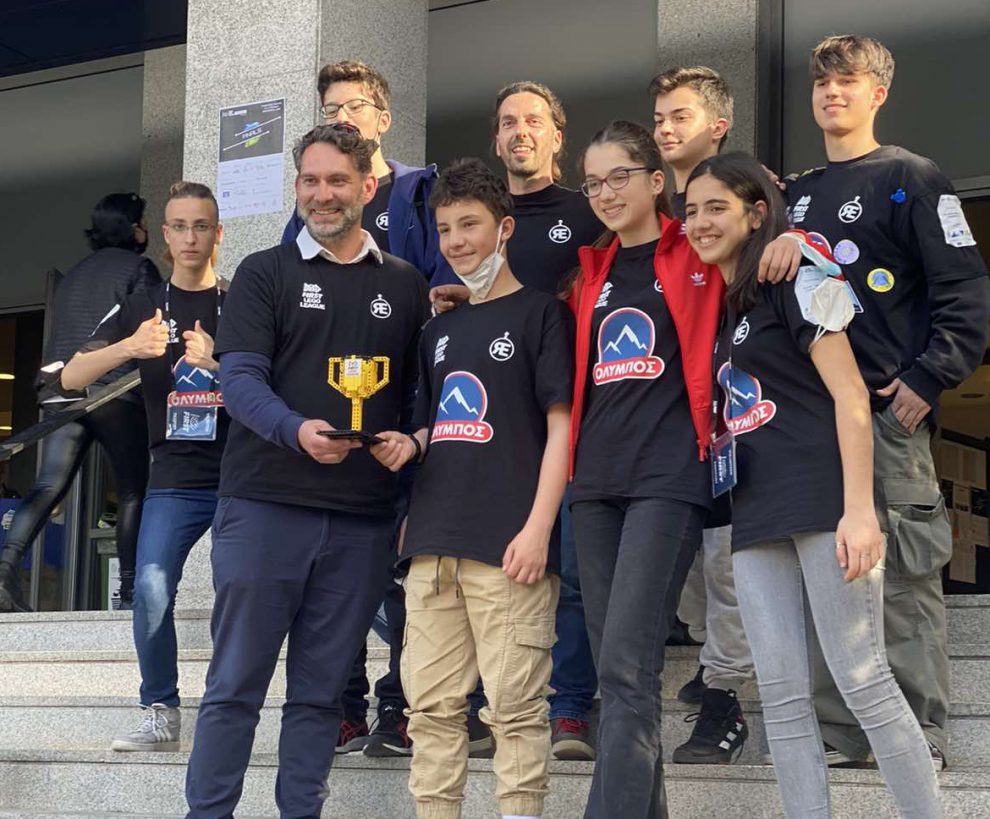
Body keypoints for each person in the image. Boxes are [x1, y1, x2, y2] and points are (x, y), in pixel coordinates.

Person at [685, 150, 944, 818]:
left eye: (716, 207)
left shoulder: (796, 275)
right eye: (691, 211)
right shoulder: (728, 308)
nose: (700, 222)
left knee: (865, 680)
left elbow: (852, 395)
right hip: (755, 512)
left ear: (756, 213)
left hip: (826, 501)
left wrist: (860, 511)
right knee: (781, 697)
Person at [184, 123, 429, 818]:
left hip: (361, 522)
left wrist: (411, 441)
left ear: (368, 187)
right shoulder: (264, 272)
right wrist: (294, 431)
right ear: (297, 187)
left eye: (338, 181)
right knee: (235, 685)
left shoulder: (406, 285)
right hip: (265, 508)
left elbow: (420, 395)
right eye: (311, 181)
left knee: (321, 697)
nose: (324, 195)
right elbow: (239, 380)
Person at [759, 34, 990, 771]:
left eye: (848, 81)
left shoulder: (913, 177)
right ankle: (841, 731)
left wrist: (928, 379)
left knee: (905, 577)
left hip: (887, 414)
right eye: (822, 83)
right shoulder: (794, 194)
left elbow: (966, 291)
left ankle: (920, 733)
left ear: (878, 93)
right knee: (827, 570)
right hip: (808, 418)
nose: (832, 93)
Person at [371, 157, 573, 819]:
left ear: (504, 227)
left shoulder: (543, 315)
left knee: (515, 710)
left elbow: (561, 427)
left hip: (509, 544)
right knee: (429, 710)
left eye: (471, 225)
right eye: (446, 229)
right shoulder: (438, 329)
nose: (457, 241)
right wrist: (411, 444)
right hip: (432, 546)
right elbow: (440, 424)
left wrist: (539, 528)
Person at [281, 59, 454, 758]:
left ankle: (401, 706)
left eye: (355, 106)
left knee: (403, 575)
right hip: (330, 421)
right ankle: (343, 707)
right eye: (332, 108)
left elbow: (445, 286)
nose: (343, 116)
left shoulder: (418, 192)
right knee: (335, 574)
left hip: (405, 415)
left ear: (383, 117)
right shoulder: (312, 208)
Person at [432, 80, 603, 762]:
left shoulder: (588, 210)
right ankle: (479, 704)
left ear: (558, 135)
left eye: (533, 120)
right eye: (507, 122)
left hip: (573, 410)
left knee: (570, 569)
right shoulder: (471, 217)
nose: (519, 131)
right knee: (481, 563)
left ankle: (570, 708)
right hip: (488, 425)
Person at [568, 120, 722, 819]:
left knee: (629, 664)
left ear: (657, 181)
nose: (605, 192)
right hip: (595, 483)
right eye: (592, 183)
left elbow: (759, 238)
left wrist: (788, 236)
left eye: (618, 177)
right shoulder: (590, 273)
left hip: (668, 477)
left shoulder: (697, 250)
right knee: (617, 670)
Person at [61, 181, 228, 753]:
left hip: (242, 477)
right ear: (164, 236)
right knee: (151, 588)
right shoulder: (143, 306)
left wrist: (218, 363)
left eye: (201, 226)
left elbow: (278, 382)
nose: (190, 237)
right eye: (180, 226)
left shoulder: (243, 301)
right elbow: (72, 376)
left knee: (242, 590)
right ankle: (160, 710)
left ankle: (229, 707)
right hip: (175, 480)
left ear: (218, 234)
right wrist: (128, 348)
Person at [650, 65, 754, 764]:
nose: (665, 129)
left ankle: (724, 698)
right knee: (693, 578)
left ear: (718, 125)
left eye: (679, 116)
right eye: (659, 118)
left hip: (738, 422)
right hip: (669, 431)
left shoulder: (755, 195)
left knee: (726, 569)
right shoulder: (655, 218)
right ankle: (714, 664)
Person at [0, 193, 158, 613]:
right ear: (133, 228)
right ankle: (129, 592)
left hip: (62, 391)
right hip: (114, 391)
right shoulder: (139, 269)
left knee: (47, 486)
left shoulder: (74, 275)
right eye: (144, 221)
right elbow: (149, 328)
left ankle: (4, 571)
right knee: (133, 490)